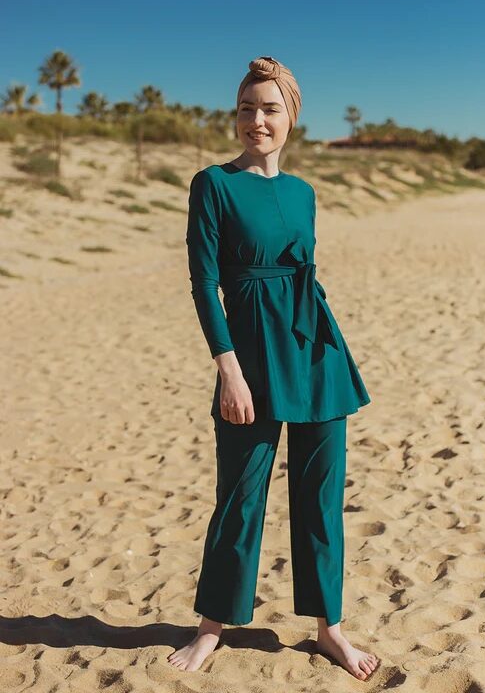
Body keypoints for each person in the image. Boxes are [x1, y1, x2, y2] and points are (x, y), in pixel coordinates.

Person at [168, 56, 379, 681]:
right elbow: (205, 284)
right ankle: (212, 628)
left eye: (269, 108)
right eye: (245, 108)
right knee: (238, 495)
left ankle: (329, 629)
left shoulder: (305, 194)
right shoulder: (213, 184)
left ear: (291, 117)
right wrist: (228, 370)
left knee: (320, 500)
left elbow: (303, 281)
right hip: (250, 361)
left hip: (317, 356)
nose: (255, 120)